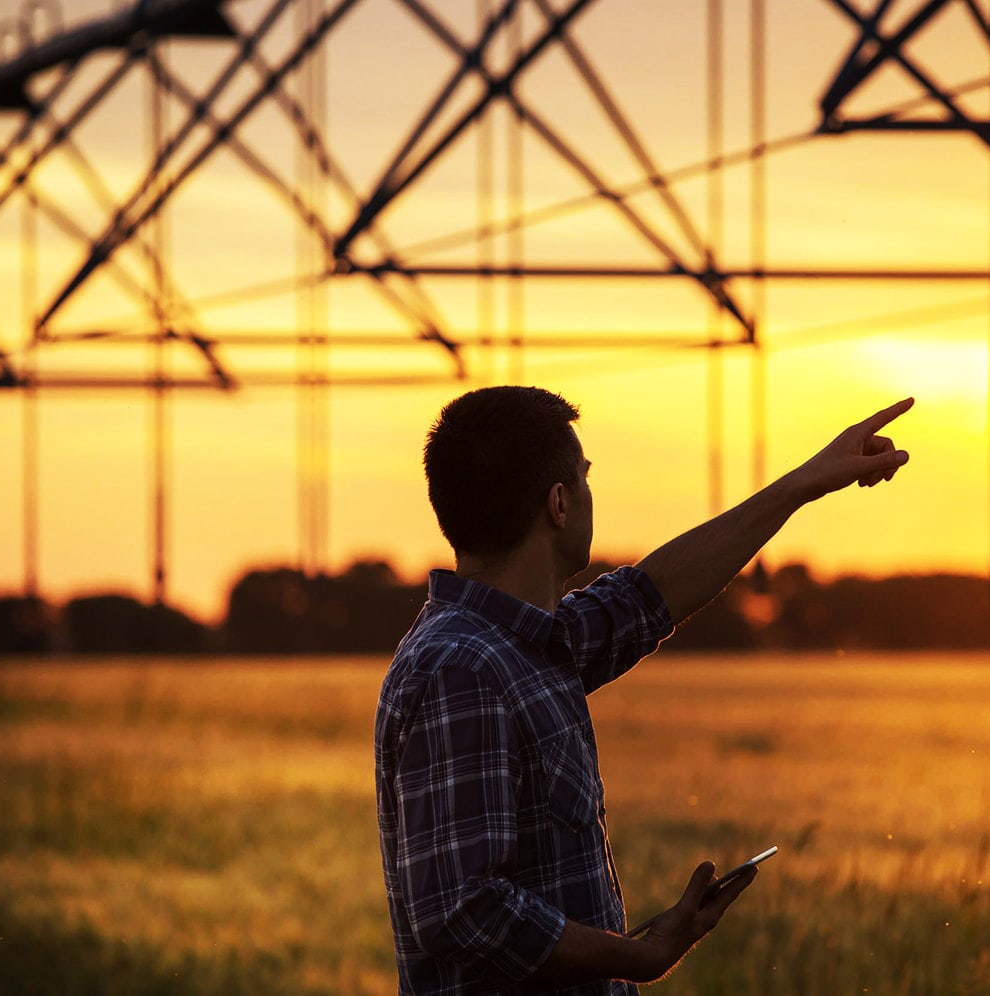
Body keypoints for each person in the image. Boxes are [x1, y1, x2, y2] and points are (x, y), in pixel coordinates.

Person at [375, 386, 913, 994]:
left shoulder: (524, 646)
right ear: (558, 503)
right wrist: (638, 955)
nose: (588, 493)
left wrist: (802, 484)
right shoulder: (462, 670)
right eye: (584, 477)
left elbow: (648, 595)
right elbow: (461, 911)